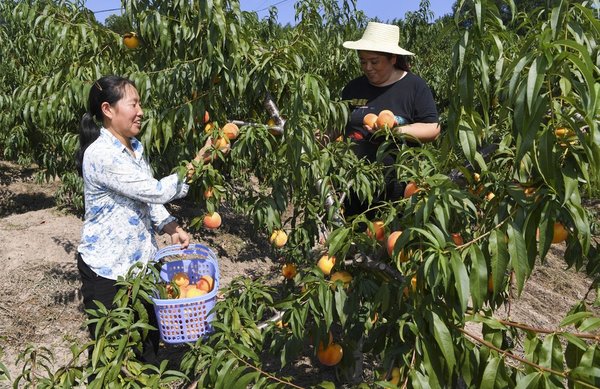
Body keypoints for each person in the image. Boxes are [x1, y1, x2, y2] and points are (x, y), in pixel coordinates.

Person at [75, 75, 198, 366]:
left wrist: (170, 226)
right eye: (134, 103)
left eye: (140, 103)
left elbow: (145, 195)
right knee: (110, 357)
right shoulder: (102, 154)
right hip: (108, 272)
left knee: (148, 346)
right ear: (108, 109)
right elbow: (155, 190)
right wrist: (199, 161)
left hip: (140, 267)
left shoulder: (135, 148)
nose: (141, 111)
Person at [341, 21, 440, 218]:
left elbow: (433, 128)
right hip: (355, 188)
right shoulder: (352, 88)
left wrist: (394, 131)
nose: (367, 67)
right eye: (362, 61)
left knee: (392, 244)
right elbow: (338, 125)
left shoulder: (414, 87)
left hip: (398, 192)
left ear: (393, 58)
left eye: (374, 61)